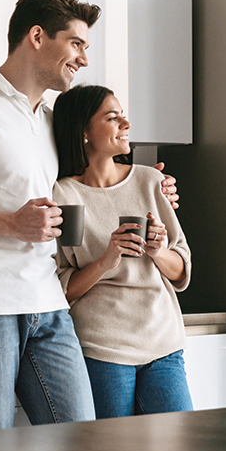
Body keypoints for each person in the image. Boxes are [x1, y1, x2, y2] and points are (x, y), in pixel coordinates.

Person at [0, 0, 179, 432]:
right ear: (38, 36)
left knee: (83, 442)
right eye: (77, 44)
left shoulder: (48, 120)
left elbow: (91, 184)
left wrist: (154, 185)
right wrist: (9, 224)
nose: (84, 59)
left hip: (48, 303)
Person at [51, 84, 194, 418]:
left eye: (124, 117)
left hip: (163, 344)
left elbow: (182, 269)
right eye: (113, 118)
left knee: (179, 449)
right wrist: (106, 260)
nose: (126, 125)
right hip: (103, 350)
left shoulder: (149, 182)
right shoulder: (63, 194)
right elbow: (63, 288)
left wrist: (158, 251)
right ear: (83, 131)